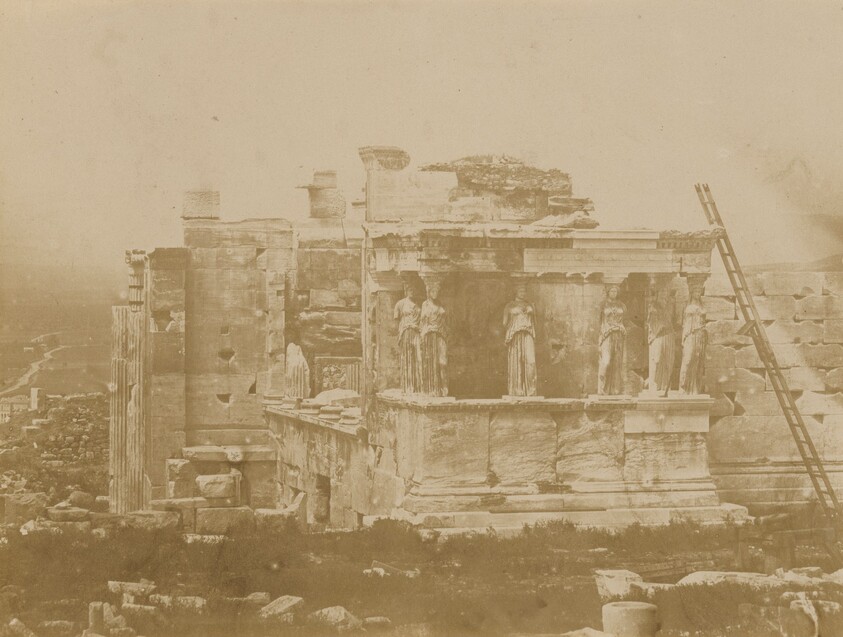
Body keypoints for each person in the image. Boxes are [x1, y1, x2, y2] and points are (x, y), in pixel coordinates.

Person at [503, 283, 537, 396]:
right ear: (516, 292)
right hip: (515, 334)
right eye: (521, 291)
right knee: (516, 360)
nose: (523, 293)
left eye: (524, 291)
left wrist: (533, 312)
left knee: (531, 361)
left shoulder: (530, 305)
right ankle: (516, 391)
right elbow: (504, 323)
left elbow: (536, 323)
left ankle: (531, 391)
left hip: (528, 333)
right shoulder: (509, 305)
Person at [420, 280, 448, 397]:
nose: (435, 293)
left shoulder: (440, 305)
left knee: (443, 362)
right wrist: (423, 336)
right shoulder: (425, 305)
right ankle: (432, 389)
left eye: (437, 291)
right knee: (430, 362)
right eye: (433, 291)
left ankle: (444, 387)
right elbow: (422, 322)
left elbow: (446, 321)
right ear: (429, 292)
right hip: (430, 335)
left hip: (440, 334)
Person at [647, 285, 677, 396]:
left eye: (666, 292)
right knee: (657, 359)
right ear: (658, 294)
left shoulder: (670, 305)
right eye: (662, 292)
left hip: (669, 335)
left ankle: (666, 387)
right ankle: (654, 385)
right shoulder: (653, 306)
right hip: (657, 335)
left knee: (669, 361)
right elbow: (651, 322)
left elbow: (675, 320)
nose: (664, 294)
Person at [598, 284, 626, 395]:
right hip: (607, 334)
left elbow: (625, 320)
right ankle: (602, 388)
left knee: (617, 362)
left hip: (619, 334)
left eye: (615, 291)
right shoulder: (603, 304)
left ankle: (615, 390)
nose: (614, 293)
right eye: (612, 291)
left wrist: (622, 327)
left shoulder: (622, 305)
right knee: (606, 361)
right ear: (608, 292)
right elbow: (599, 321)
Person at [393, 283, 421, 393]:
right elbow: (396, 321)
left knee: (419, 358)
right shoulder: (400, 304)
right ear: (406, 291)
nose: (412, 292)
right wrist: (400, 332)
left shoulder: (419, 304)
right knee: (407, 358)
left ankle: (418, 386)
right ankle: (408, 386)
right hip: (406, 331)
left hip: (417, 332)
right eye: (410, 290)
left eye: (414, 290)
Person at [679, 285, 707, 394]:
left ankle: (694, 387)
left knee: (698, 360)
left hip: (701, 335)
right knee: (688, 359)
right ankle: (683, 385)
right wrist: (684, 337)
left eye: (699, 291)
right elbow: (683, 322)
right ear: (691, 291)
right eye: (696, 290)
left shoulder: (702, 305)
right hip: (690, 334)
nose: (698, 293)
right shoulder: (687, 305)